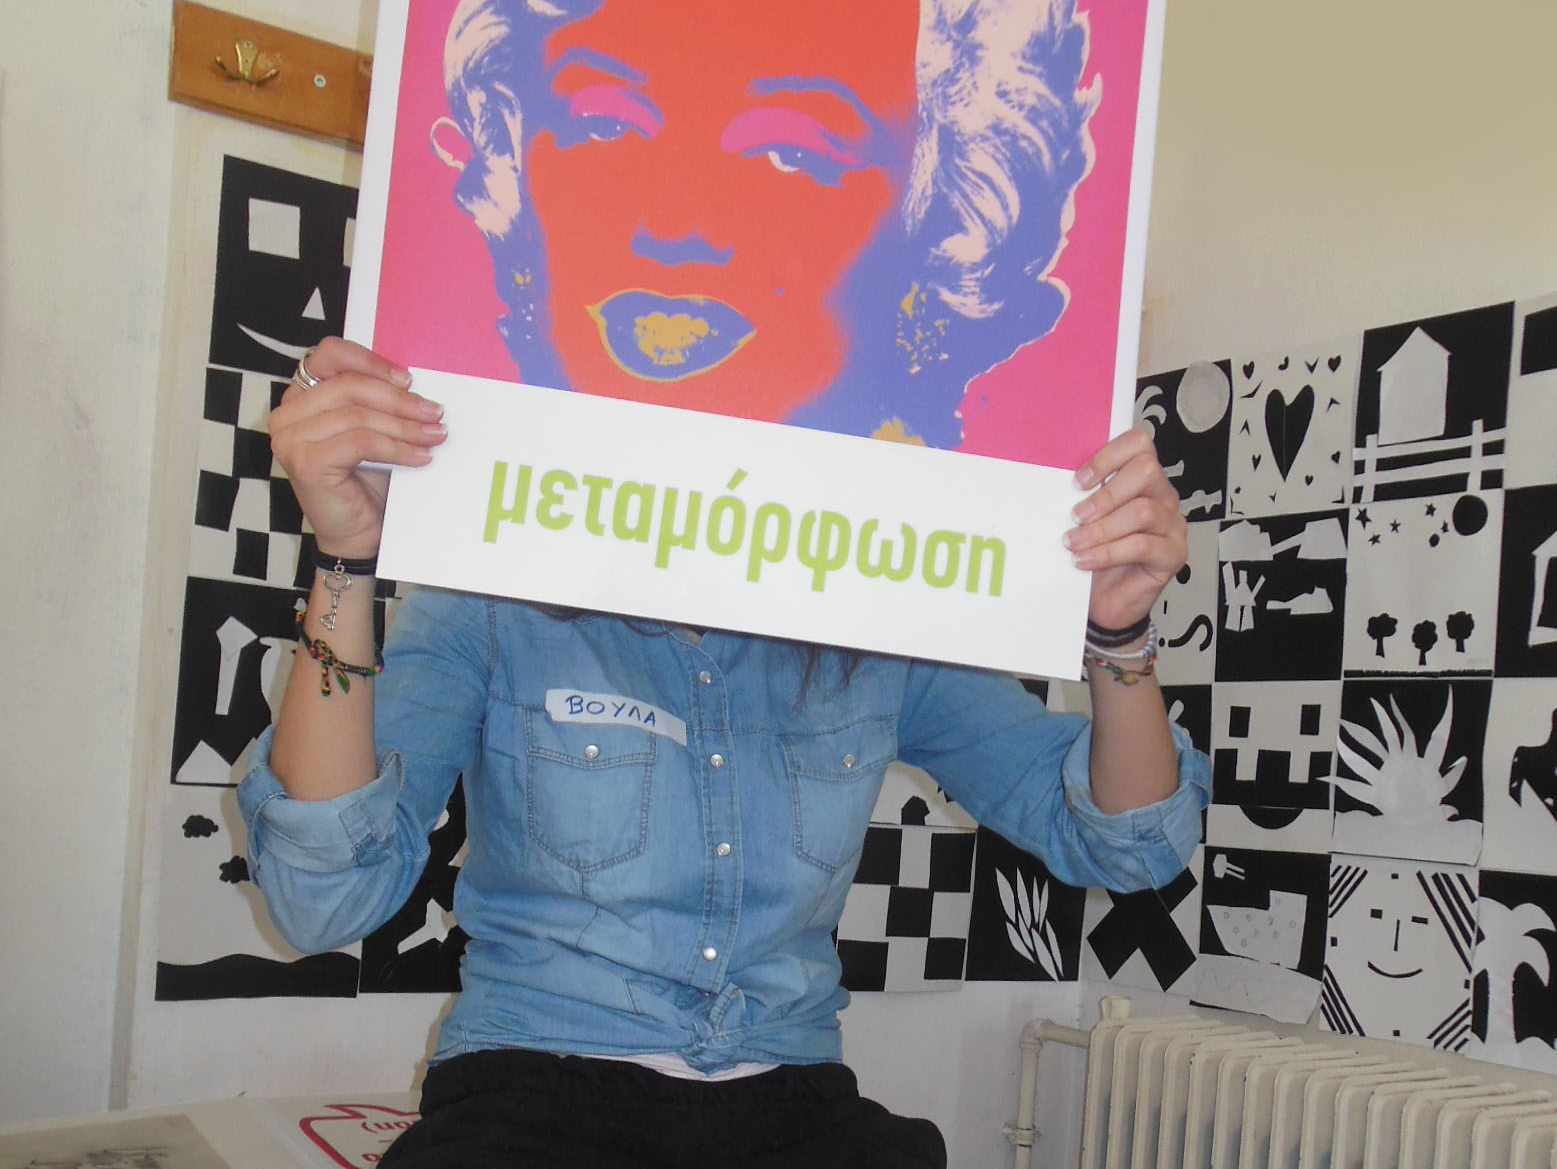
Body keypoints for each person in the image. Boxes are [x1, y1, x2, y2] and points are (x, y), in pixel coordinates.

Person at [240, 336, 1211, 1167]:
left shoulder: (880, 627)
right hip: (536, 1087)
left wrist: (1118, 634)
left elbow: (1127, 844)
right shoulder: (494, 600)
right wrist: (345, 558)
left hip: (796, 1098)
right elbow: (324, 898)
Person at [426, 0, 1106, 450]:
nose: (672, 229)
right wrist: (364, 519)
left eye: (790, 154)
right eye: (606, 126)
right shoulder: (449, 478)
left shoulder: (984, 523)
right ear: (512, 151)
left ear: (945, 221)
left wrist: (1118, 530)